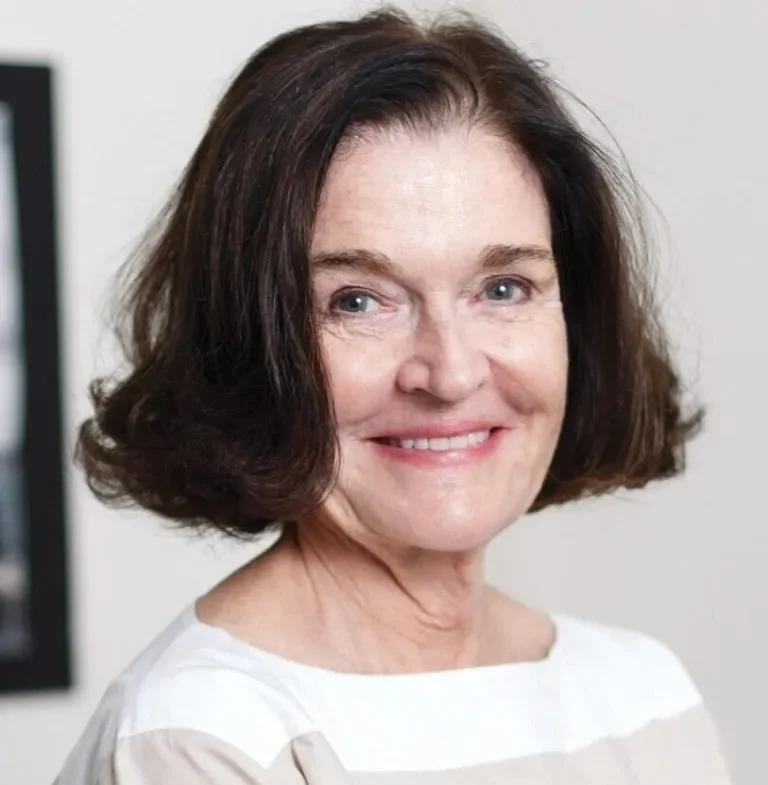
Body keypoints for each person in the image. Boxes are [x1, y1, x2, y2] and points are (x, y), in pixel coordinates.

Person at [55, 5, 732, 784]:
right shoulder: (202, 737)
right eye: (358, 300)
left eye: (503, 287)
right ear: (251, 344)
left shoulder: (644, 697)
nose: (450, 374)